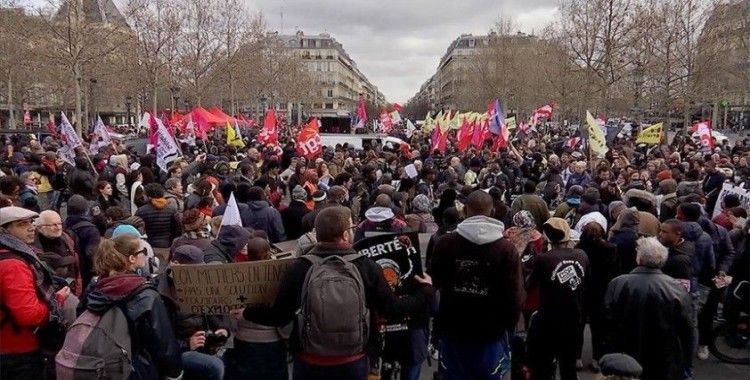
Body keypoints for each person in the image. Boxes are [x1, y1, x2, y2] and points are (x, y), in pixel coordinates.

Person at [236, 206, 434, 380]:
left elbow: (279, 316)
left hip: (309, 359)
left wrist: (247, 312)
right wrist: (425, 291)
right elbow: (392, 309)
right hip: (354, 358)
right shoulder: (366, 266)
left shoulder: (300, 267)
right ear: (346, 234)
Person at [430, 190, 523, 380]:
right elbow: (515, 296)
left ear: (464, 211)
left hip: (454, 328)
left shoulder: (445, 244)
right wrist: (508, 327)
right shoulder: (506, 249)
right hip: (491, 332)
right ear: (492, 212)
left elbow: (434, 284)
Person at [83, 234, 183, 379]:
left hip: (99, 365)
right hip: (138, 369)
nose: (146, 255)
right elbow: (163, 341)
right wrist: (175, 373)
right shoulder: (146, 295)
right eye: (143, 252)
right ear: (132, 259)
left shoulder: (94, 287)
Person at [604, 237, 694, 380]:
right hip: (663, 357)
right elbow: (687, 329)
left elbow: (607, 320)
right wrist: (687, 363)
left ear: (638, 258)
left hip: (625, 356)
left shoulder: (618, 283)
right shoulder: (676, 288)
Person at [0, 207, 69, 380]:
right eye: (22, 224)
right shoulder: (13, 264)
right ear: (4, 230)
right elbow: (28, 315)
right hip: (18, 351)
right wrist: (58, 301)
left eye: (31, 222)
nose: (31, 227)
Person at [526, 217, 589, 380]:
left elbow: (529, 284)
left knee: (545, 365)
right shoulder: (581, 255)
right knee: (568, 367)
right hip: (574, 317)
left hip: (549, 317)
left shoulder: (544, 258)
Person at [226, 237, 289, 380]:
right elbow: (281, 310)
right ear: (268, 252)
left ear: (248, 254)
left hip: (244, 338)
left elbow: (231, 308)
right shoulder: (278, 276)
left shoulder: (236, 276)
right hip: (272, 340)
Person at [576, 221, 619, 370]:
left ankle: (577, 358)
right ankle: (596, 359)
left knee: (578, 325)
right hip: (601, 291)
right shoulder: (610, 249)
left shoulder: (579, 249)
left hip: (582, 291)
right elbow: (613, 271)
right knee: (599, 328)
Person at [33, 210, 83, 297]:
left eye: (59, 223)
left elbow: (76, 268)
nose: (58, 227)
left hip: (71, 289)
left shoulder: (68, 239)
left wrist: (77, 289)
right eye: (53, 225)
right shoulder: (33, 246)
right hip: (49, 294)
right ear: (39, 227)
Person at [64, 194, 101, 288]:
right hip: (87, 270)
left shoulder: (63, 225)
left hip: (72, 267)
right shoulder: (90, 229)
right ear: (85, 209)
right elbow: (92, 254)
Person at [136, 183, 181, 249]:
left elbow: (137, 229)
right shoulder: (172, 209)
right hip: (168, 245)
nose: (143, 196)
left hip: (149, 245)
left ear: (149, 196)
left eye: (144, 194)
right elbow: (177, 228)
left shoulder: (141, 211)